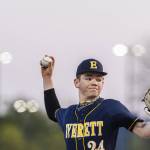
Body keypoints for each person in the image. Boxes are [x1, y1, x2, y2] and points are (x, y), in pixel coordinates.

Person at [41, 56, 150, 150]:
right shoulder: (69, 113)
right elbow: (53, 112)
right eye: (88, 78)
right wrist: (47, 78)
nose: (94, 82)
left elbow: (142, 130)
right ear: (77, 82)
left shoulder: (111, 107)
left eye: (98, 80)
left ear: (103, 83)